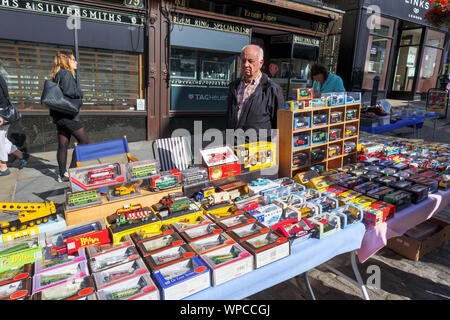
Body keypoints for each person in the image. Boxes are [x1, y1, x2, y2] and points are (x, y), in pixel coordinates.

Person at [226, 44, 284, 140]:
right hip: (234, 146)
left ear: (261, 63)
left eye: (250, 61)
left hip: (258, 150)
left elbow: (279, 125)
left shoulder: (272, 89)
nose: (246, 65)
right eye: (243, 61)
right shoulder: (234, 86)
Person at [49, 50, 88, 182]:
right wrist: (80, 93)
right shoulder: (66, 74)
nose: (76, 62)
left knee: (63, 145)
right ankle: (72, 171)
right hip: (68, 116)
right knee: (84, 141)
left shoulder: (57, 74)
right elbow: (69, 91)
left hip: (59, 116)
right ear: (67, 61)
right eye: (73, 60)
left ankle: (62, 174)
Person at [0, 74, 29, 176]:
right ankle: (22, 155)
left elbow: (2, 98)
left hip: (1, 113)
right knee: (2, 140)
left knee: (0, 140)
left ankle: (3, 167)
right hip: (3, 112)